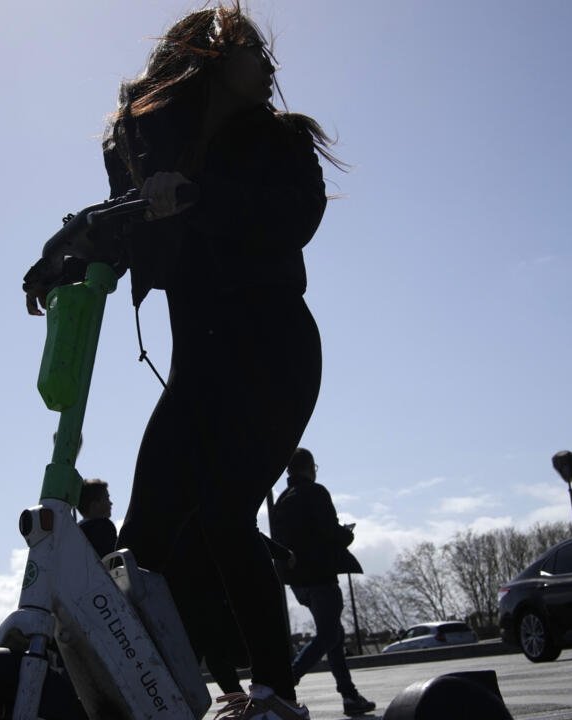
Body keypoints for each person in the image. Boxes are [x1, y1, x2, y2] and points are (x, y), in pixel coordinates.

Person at [27, 4, 339, 718]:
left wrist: (199, 199)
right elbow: (119, 230)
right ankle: (171, 688)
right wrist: (59, 261)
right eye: (256, 52)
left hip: (275, 352)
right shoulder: (151, 153)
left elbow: (296, 216)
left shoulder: (282, 142)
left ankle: (275, 694)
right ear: (212, 59)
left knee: (225, 513)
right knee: (143, 543)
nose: (270, 67)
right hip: (199, 363)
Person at [270, 448, 376, 717]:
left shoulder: (282, 499)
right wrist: (347, 535)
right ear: (310, 467)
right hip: (320, 577)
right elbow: (330, 531)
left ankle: (349, 695)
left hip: (298, 583)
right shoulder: (316, 492)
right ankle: (285, 683)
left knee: (334, 635)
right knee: (329, 635)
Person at [77, 477, 118, 558]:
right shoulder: (104, 526)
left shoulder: (76, 531)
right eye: (106, 498)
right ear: (94, 505)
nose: (111, 503)